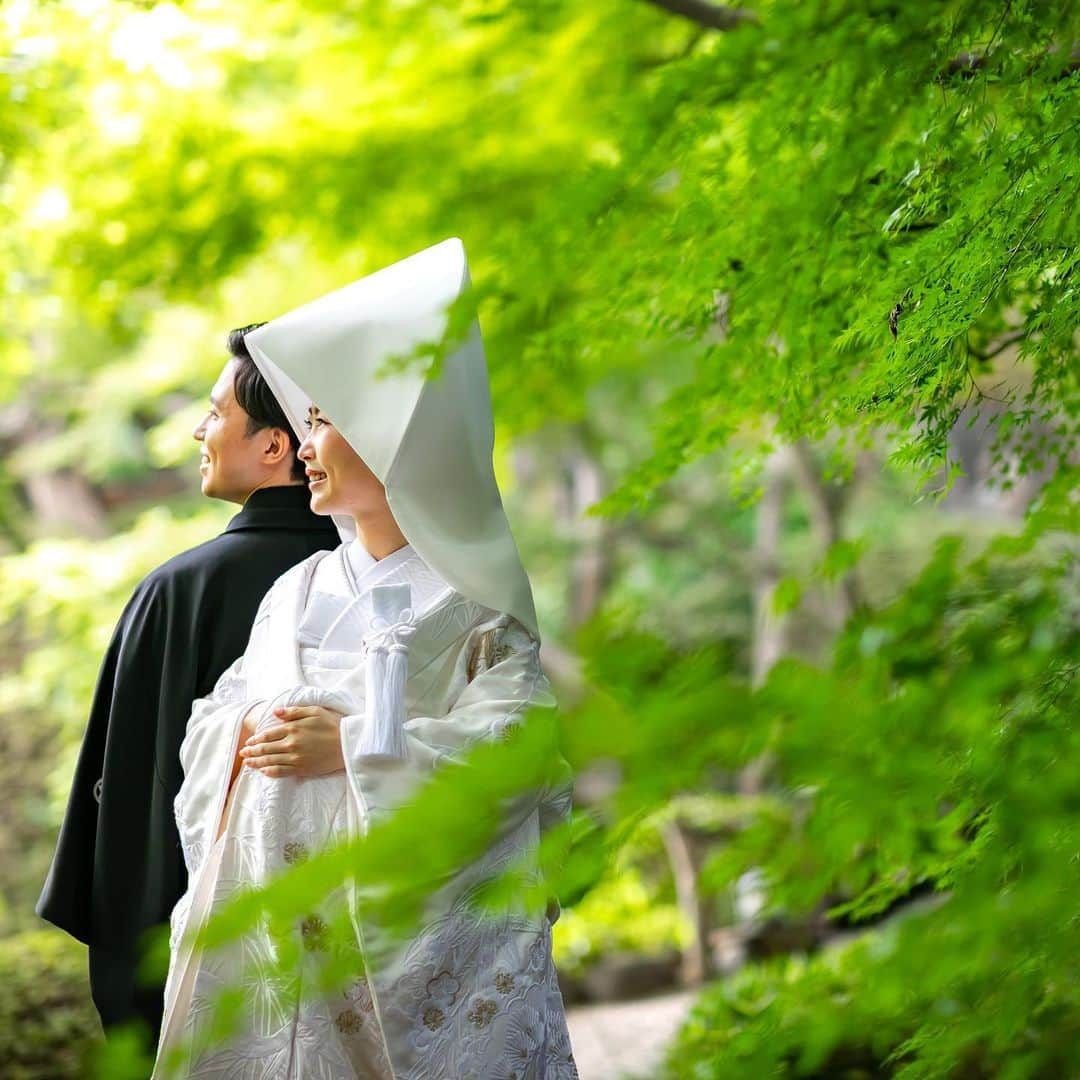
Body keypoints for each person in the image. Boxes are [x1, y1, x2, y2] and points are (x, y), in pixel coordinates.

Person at [154, 238, 578, 1078]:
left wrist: (346, 749)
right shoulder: (299, 588)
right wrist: (249, 729)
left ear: (397, 440)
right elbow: (211, 725)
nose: (307, 447)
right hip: (279, 948)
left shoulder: (477, 608)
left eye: (324, 421)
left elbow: (514, 757)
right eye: (305, 423)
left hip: (403, 965)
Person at [36, 328, 340, 1046]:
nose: (198, 431)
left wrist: (135, 981)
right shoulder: (378, 572)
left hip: (206, 964)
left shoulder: (180, 591)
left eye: (213, 414)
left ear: (274, 446)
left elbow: (133, 806)